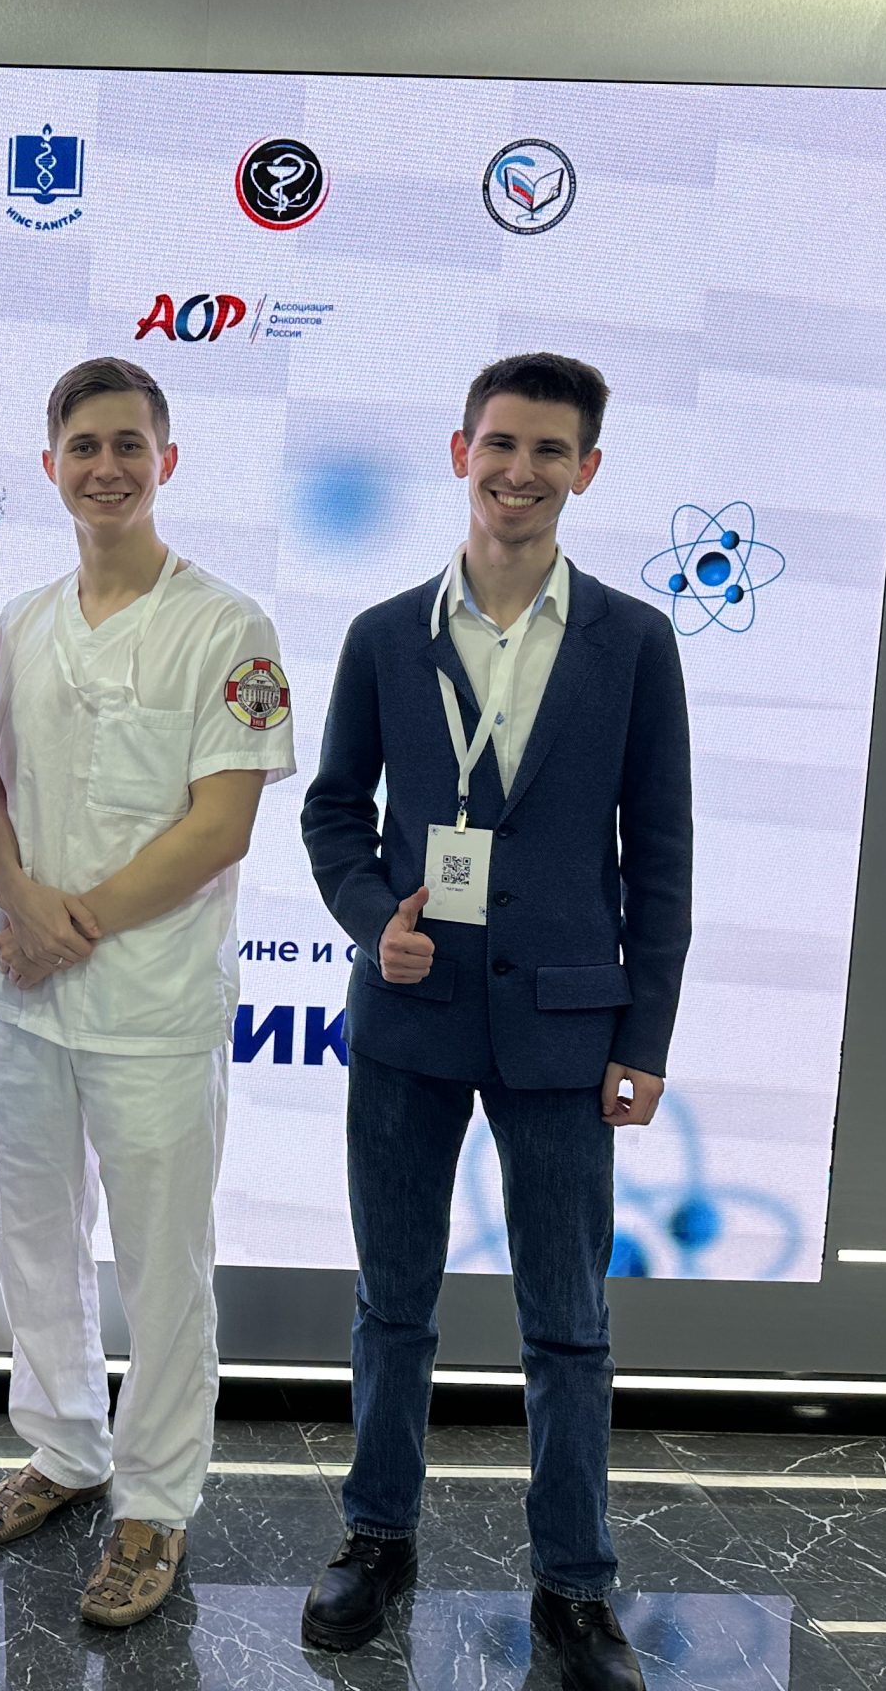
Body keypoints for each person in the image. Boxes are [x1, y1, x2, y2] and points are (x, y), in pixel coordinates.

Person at [297, 353, 692, 1691]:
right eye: (501, 444)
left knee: (568, 1321)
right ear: (459, 448)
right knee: (391, 1303)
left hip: (569, 1028)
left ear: (588, 468)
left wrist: (644, 1040)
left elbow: (663, 856)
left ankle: (575, 1586)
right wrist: (374, 919)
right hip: (410, 1017)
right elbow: (333, 811)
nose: (520, 471)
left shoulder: (633, 642)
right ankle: (377, 1536)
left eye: (549, 450)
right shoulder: (382, 635)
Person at [0, 356, 292, 1629]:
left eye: (128, 446)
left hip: (151, 1003)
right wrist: (20, 903)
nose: (106, 467)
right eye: (84, 446)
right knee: (34, 1240)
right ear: (50, 464)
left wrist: (72, 921)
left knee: (163, 1268)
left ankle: (154, 1500)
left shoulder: (226, 625)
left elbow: (220, 825)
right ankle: (63, 1445)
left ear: (167, 461)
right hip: (24, 996)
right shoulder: (22, 621)